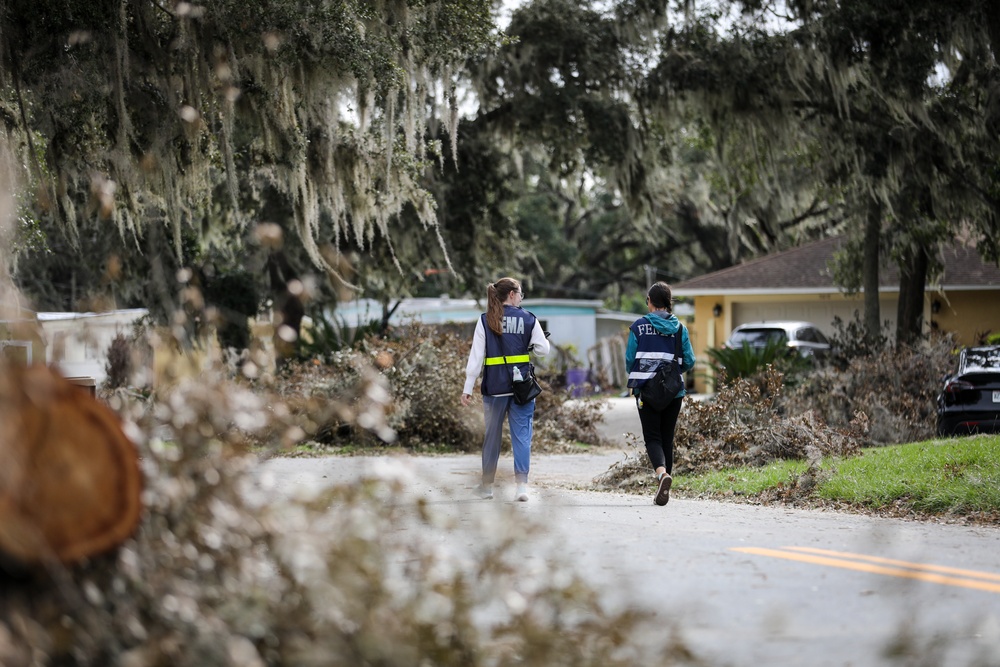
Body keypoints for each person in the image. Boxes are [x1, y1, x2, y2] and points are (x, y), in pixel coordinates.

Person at [461, 277, 550, 501]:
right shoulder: (529, 318)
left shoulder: (485, 319)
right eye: (520, 293)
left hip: (494, 389)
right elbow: (543, 350)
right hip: (522, 389)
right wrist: (526, 345)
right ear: (511, 294)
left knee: (491, 438)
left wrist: (468, 388)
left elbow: (476, 358)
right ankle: (521, 488)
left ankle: (487, 487)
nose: (521, 298)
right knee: (521, 437)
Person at [625, 281, 696, 506]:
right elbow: (690, 360)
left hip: (646, 392)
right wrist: (672, 374)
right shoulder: (680, 328)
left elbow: (630, 360)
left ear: (650, 302)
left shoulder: (638, 327)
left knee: (652, 438)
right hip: (674, 394)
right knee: (667, 438)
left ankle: (662, 475)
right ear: (668, 302)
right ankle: (664, 486)